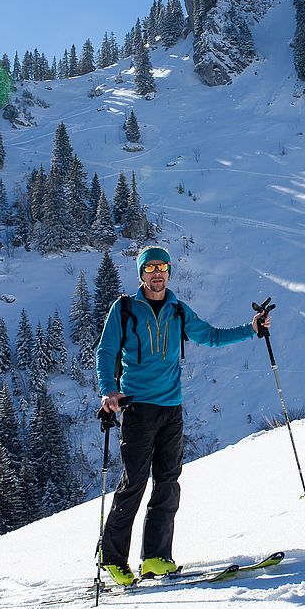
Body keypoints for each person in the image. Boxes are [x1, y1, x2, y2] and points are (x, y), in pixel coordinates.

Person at [96, 246, 270, 585]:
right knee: (133, 482)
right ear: (141, 274)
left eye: (162, 267)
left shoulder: (178, 310)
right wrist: (108, 389)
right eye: (150, 268)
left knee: (167, 482)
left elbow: (212, 336)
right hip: (137, 407)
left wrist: (252, 329)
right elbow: (105, 351)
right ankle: (111, 555)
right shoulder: (125, 308)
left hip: (171, 408)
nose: (157, 273)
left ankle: (156, 557)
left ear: (169, 273)